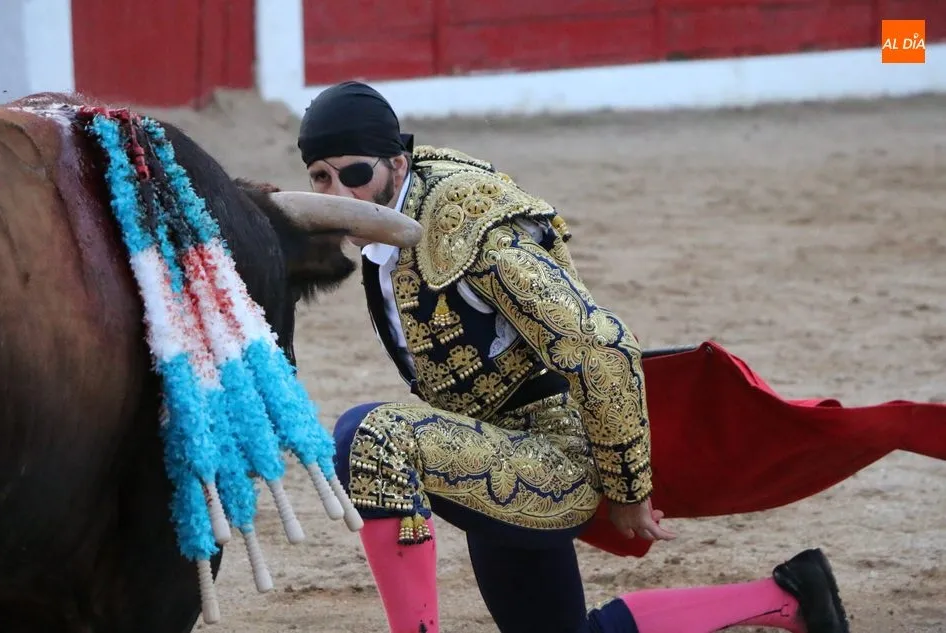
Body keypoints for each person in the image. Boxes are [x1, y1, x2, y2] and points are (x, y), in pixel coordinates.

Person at [296, 80, 850, 633]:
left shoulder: (471, 232)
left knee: (371, 439)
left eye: (354, 175)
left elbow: (602, 348)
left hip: (552, 454)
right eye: (321, 177)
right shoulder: (392, 210)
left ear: (397, 161)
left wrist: (627, 488)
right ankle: (792, 598)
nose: (338, 195)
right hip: (484, 447)